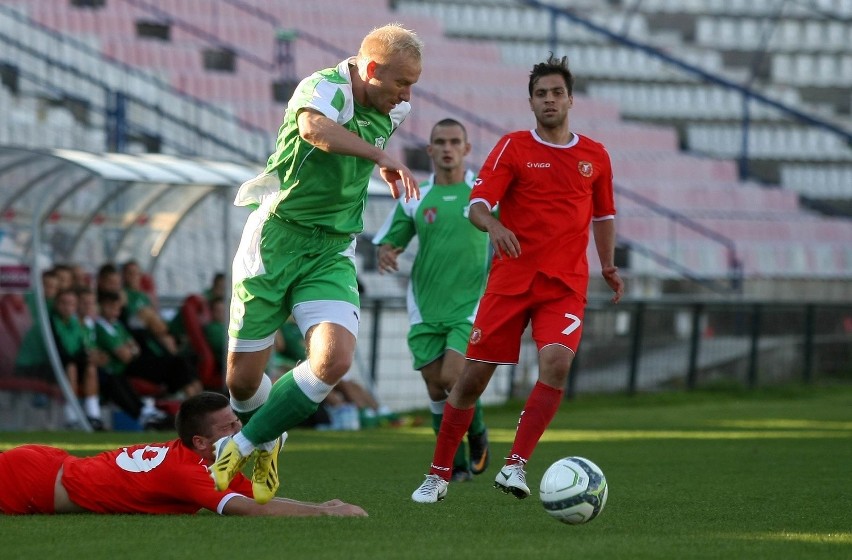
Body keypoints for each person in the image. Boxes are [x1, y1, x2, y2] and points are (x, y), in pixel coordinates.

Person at [210, 23, 423, 504]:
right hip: (274, 240)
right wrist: (380, 156)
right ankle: (267, 439)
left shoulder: (396, 106)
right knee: (241, 383)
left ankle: (243, 444)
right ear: (370, 71)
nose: (407, 95)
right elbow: (313, 129)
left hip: (331, 249)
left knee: (334, 359)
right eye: (401, 82)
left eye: (413, 83)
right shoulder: (322, 87)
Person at [410, 54, 624, 503]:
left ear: (570, 99)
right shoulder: (513, 147)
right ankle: (438, 473)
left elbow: (604, 215)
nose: (549, 100)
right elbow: (477, 204)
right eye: (541, 94)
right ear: (531, 102)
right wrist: (494, 225)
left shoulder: (595, 156)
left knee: (558, 364)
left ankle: (515, 466)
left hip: (564, 286)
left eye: (557, 93)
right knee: (469, 382)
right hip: (510, 282)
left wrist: (607, 264)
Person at [0, 392, 367, 517]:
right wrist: (323, 514)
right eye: (228, 429)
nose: (241, 432)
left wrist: (321, 504)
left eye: (237, 423)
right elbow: (251, 509)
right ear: (200, 442)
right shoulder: (191, 473)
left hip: (49, 465)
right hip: (34, 481)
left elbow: (253, 495)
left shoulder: (206, 462)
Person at [373, 118, 491, 482]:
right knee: (435, 385)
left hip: (469, 304)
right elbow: (392, 240)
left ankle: (477, 434)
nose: (447, 148)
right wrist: (387, 254)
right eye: (440, 141)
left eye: (455, 141)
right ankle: (455, 464)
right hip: (424, 303)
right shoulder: (416, 196)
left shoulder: (483, 195)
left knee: (454, 377)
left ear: (466, 149)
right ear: (430, 150)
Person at [94, 290, 202, 399]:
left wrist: (131, 350)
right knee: (178, 364)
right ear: (101, 306)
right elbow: (125, 357)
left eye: (117, 308)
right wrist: (132, 350)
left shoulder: (117, 325)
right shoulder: (100, 328)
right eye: (111, 307)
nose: (115, 311)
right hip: (127, 369)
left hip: (137, 361)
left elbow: (133, 347)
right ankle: (193, 404)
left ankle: (199, 402)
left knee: (184, 362)